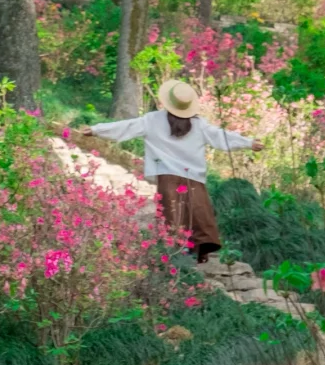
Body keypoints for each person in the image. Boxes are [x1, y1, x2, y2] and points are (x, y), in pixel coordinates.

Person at [83, 79, 262, 263]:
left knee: (172, 213)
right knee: (197, 215)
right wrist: (248, 143)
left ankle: (177, 254)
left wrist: (96, 130)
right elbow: (222, 137)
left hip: (167, 175)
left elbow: (125, 127)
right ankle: (194, 253)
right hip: (193, 177)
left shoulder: (152, 120)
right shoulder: (199, 124)